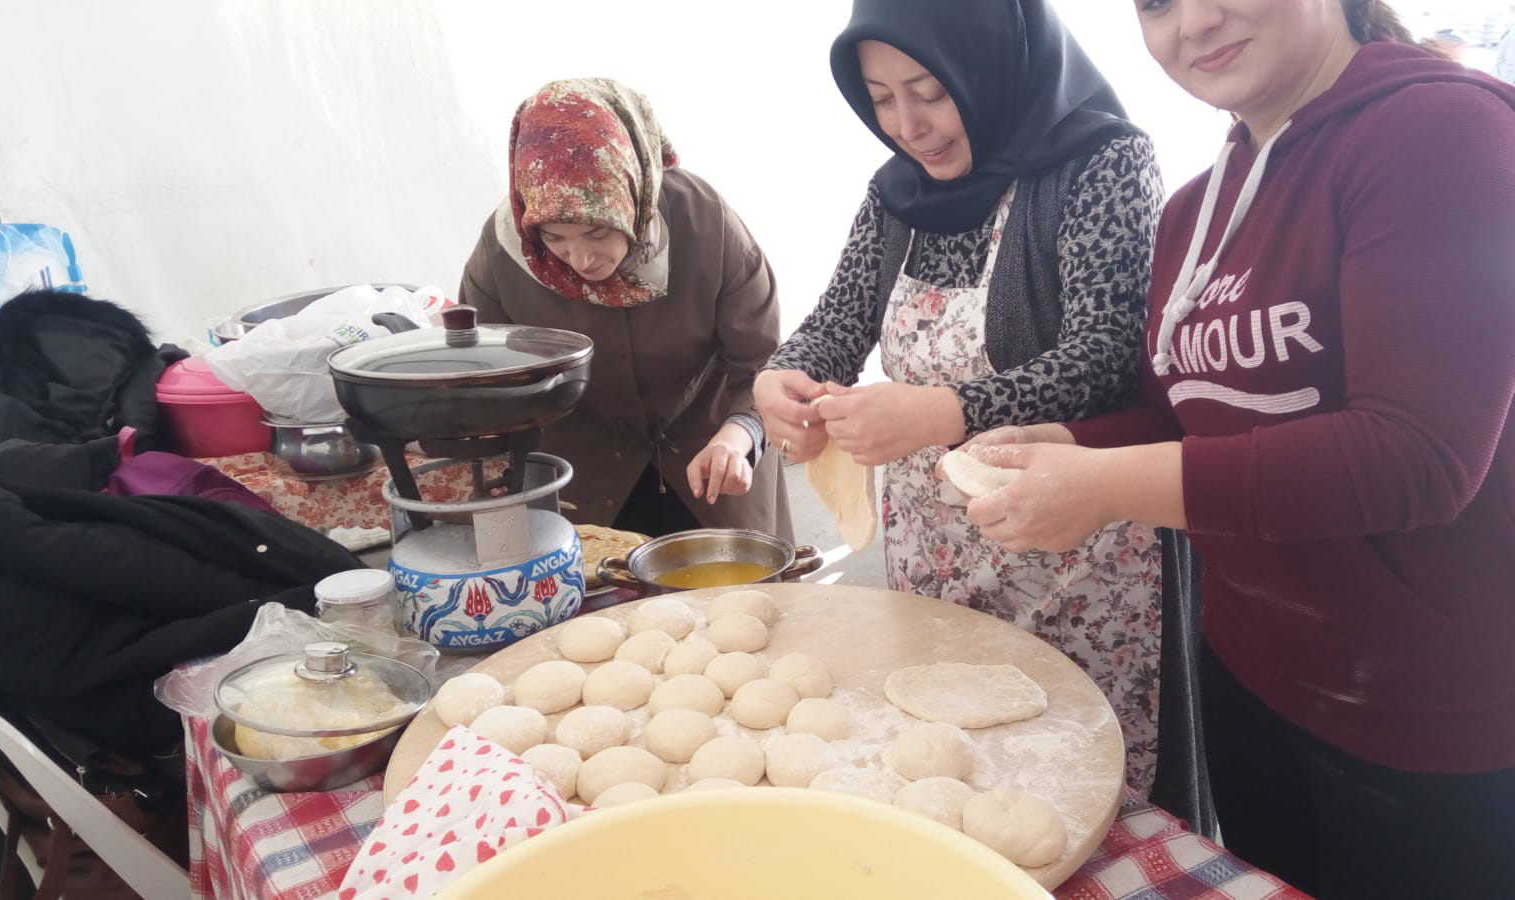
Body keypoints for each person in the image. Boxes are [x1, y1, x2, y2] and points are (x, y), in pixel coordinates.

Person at [957, 1, 1515, 895]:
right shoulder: (1196, 210)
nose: (1195, 20)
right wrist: (1061, 443)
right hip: (1257, 684)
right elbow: (1183, 417)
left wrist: (1104, 485)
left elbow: (1415, 456)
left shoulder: (1442, 132)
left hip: (1448, 717)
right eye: (1155, 2)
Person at [754, 0, 1168, 791]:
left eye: (930, 91)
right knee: (948, 772)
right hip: (933, 552)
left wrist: (945, 412)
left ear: (990, 65)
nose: (908, 125)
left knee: (1068, 781)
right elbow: (835, 324)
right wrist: (780, 379)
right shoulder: (896, 193)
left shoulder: (1102, 163)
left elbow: (1107, 358)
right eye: (881, 99)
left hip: (1071, 550)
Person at [460, 79, 791, 540]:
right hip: (583, 470)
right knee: (596, 580)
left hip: (713, 453)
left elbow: (765, 363)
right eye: (554, 238)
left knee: (737, 580)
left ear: (632, 196)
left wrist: (741, 432)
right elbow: (484, 379)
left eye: (597, 233)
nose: (580, 260)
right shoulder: (505, 251)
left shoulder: (704, 221)